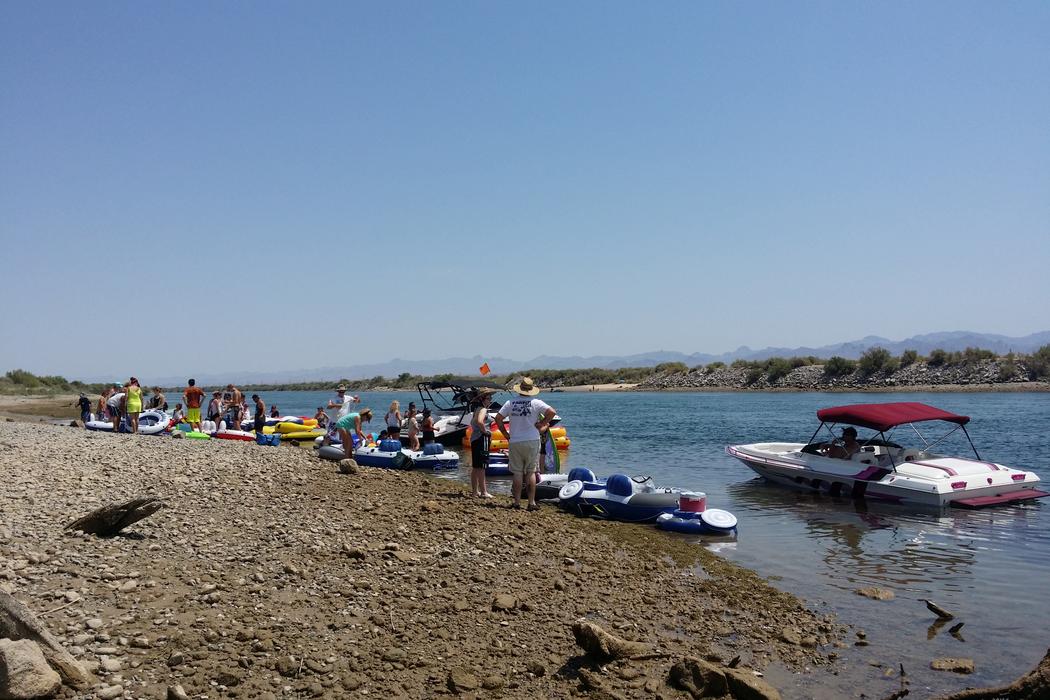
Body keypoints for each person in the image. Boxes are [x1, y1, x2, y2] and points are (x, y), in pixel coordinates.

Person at [493, 376, 556, 511]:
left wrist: (505, 434)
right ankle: (531, 502)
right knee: (531, 472)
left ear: (520, 389)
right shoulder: (536, 402)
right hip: (532, 440)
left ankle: (516, 502)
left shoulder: (511, 402)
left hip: (515, 440)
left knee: (517, 472)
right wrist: (542, 424)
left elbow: (498, 418)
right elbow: (552, 412)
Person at [469, 388, 496, 498]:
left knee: (476, 466)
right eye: (488, 398)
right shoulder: (483, 410)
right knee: (482, 466)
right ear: (482, 399)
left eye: (490, 398)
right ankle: (484, 492)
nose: (490, 400)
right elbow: (480, 422)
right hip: (481, 438)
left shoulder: (477, 409)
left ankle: (475, 491)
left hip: (475, 438)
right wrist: (486, 432)